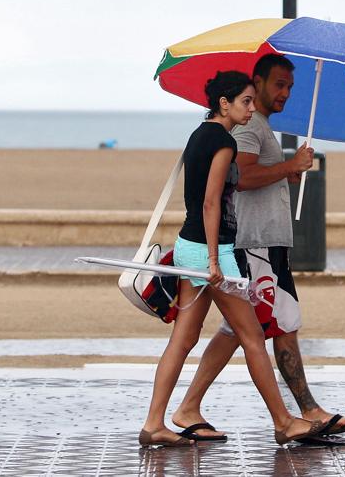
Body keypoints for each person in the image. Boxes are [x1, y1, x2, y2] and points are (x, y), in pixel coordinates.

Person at [172, 54, 345, 441]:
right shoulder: (245, 128)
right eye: (278, 84)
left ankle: (189, 407)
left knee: (241, 328)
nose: (286, 93)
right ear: (254, 85)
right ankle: (301, 412)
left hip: (262, 244)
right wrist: (290, 167)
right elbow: (240, 178)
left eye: (290, 86)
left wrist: (283, 175)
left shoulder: (257, 126)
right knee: (278, 322)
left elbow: (248, 176)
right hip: (254, 243)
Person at [139, 70, 323, 447]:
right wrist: (213, 261)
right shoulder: (222, 141)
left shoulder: (199, 134)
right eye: (245, 101)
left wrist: (285, 171)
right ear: (224, 103)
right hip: (212, 252)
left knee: (183, 338)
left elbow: (224, 188)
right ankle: (284, 422)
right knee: (253, 335)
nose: (251, 108)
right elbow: (210, 203)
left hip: (188, 246)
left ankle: (155, 422)